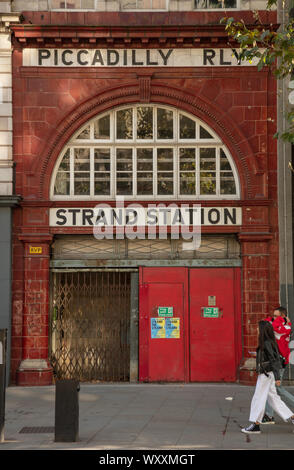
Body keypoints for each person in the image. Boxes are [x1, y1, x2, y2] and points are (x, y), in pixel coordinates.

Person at [241, 320, 294, 434]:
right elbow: (271, 358)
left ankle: (255, 424)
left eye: (258, 328)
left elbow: (274, 360)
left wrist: (277, 378)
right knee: (273, 398)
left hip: (266, 374)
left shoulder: (266, 343)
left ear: (263, 330)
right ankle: (292, 417)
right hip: (268, 373)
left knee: (258, 397)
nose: (257, 330)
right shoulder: (269, 342)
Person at [262, 306, 294, 425]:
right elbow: (264, 323)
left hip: (279, 363)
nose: (274, 318)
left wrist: (281, 321)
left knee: (277, 389)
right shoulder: (278, 324)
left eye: (277, 316)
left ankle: (269, 416)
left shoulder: (285, 328)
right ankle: (269, 416)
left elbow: (274, 327)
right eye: (273, 316)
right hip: (274, 361)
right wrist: (275, 318)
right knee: (270, 388)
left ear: (283, 317)